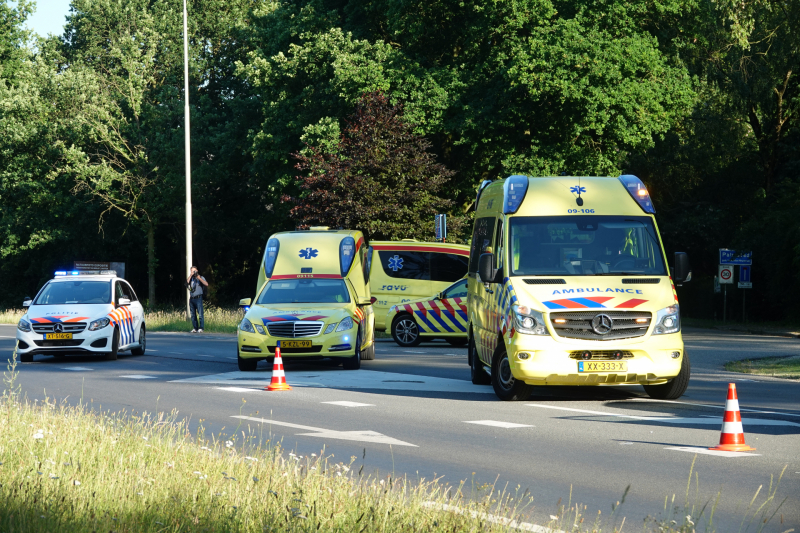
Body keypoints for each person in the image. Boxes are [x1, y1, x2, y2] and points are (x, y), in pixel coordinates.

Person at [186, 266, 208, 332]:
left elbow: (206, 284)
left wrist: (199, 278)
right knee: (193, 315)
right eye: (192, 271)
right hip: (192, 298)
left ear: (197, 271)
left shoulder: (201, 277)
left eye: (194, 271)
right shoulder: (191, 279)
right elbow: (186, 283)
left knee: (200, 314)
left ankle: (201, 328)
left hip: (198, 298)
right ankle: (195, 328)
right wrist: (190, 276)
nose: (194, 272)